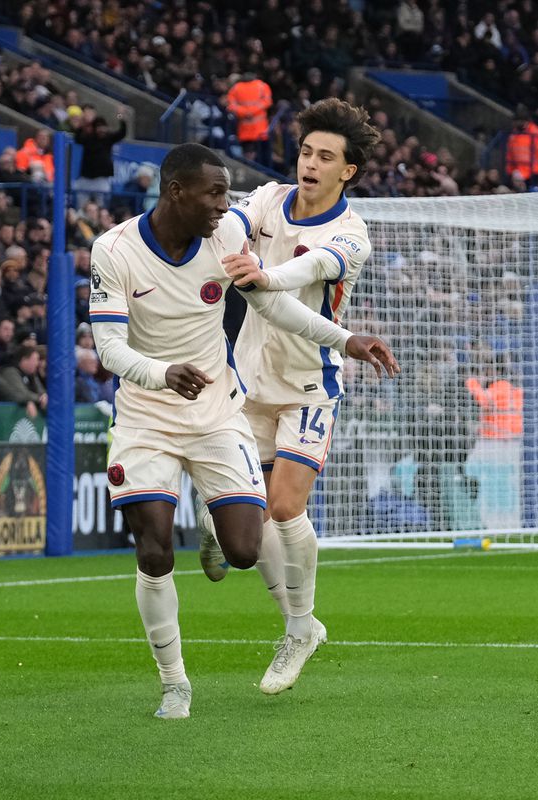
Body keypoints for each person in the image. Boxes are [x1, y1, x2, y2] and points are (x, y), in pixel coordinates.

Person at [89, 142, 398, 719]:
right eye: (213, 193)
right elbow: (107, 346)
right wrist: (160, 373)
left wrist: (344, 338)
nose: (223, 205)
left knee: (246, 546)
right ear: (175, 191)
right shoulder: (114, 248)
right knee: (154, 548)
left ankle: (287, 607)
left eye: (227, 194)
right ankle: (175, 683)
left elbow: (275, 301)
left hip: (220, 408)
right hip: (145, 416)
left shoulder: (242, 238)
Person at [212, 98, 383, 695]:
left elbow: (304, 273)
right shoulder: (263, 200)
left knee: (283, 508)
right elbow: (229, 223)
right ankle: (291, 615)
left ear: (348, 171)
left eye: (326, 156)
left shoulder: (352, 235)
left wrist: (260, 272)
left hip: (309, 384)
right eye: (308, 150)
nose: (311, 162)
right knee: (246, 522)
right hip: (248, 379)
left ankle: (299, 631)